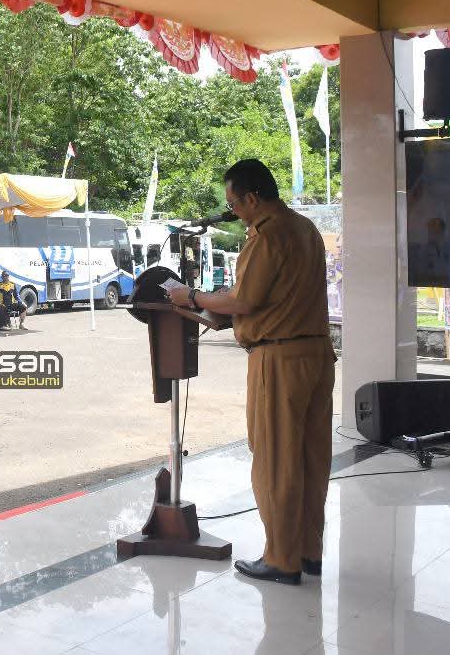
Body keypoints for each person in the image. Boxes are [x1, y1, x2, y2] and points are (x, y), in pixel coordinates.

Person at [167, 158, 334, 586]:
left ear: (253, 199)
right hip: (316, 354)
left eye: (234, 203)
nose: (233, 211)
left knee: (277, 459)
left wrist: (193, 295)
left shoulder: (269, 235)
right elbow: (274, 297)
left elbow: (244, 301)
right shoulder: (306, 229)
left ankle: (281, 558)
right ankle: (309, 552)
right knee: (312, 459)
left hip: (278, 360)